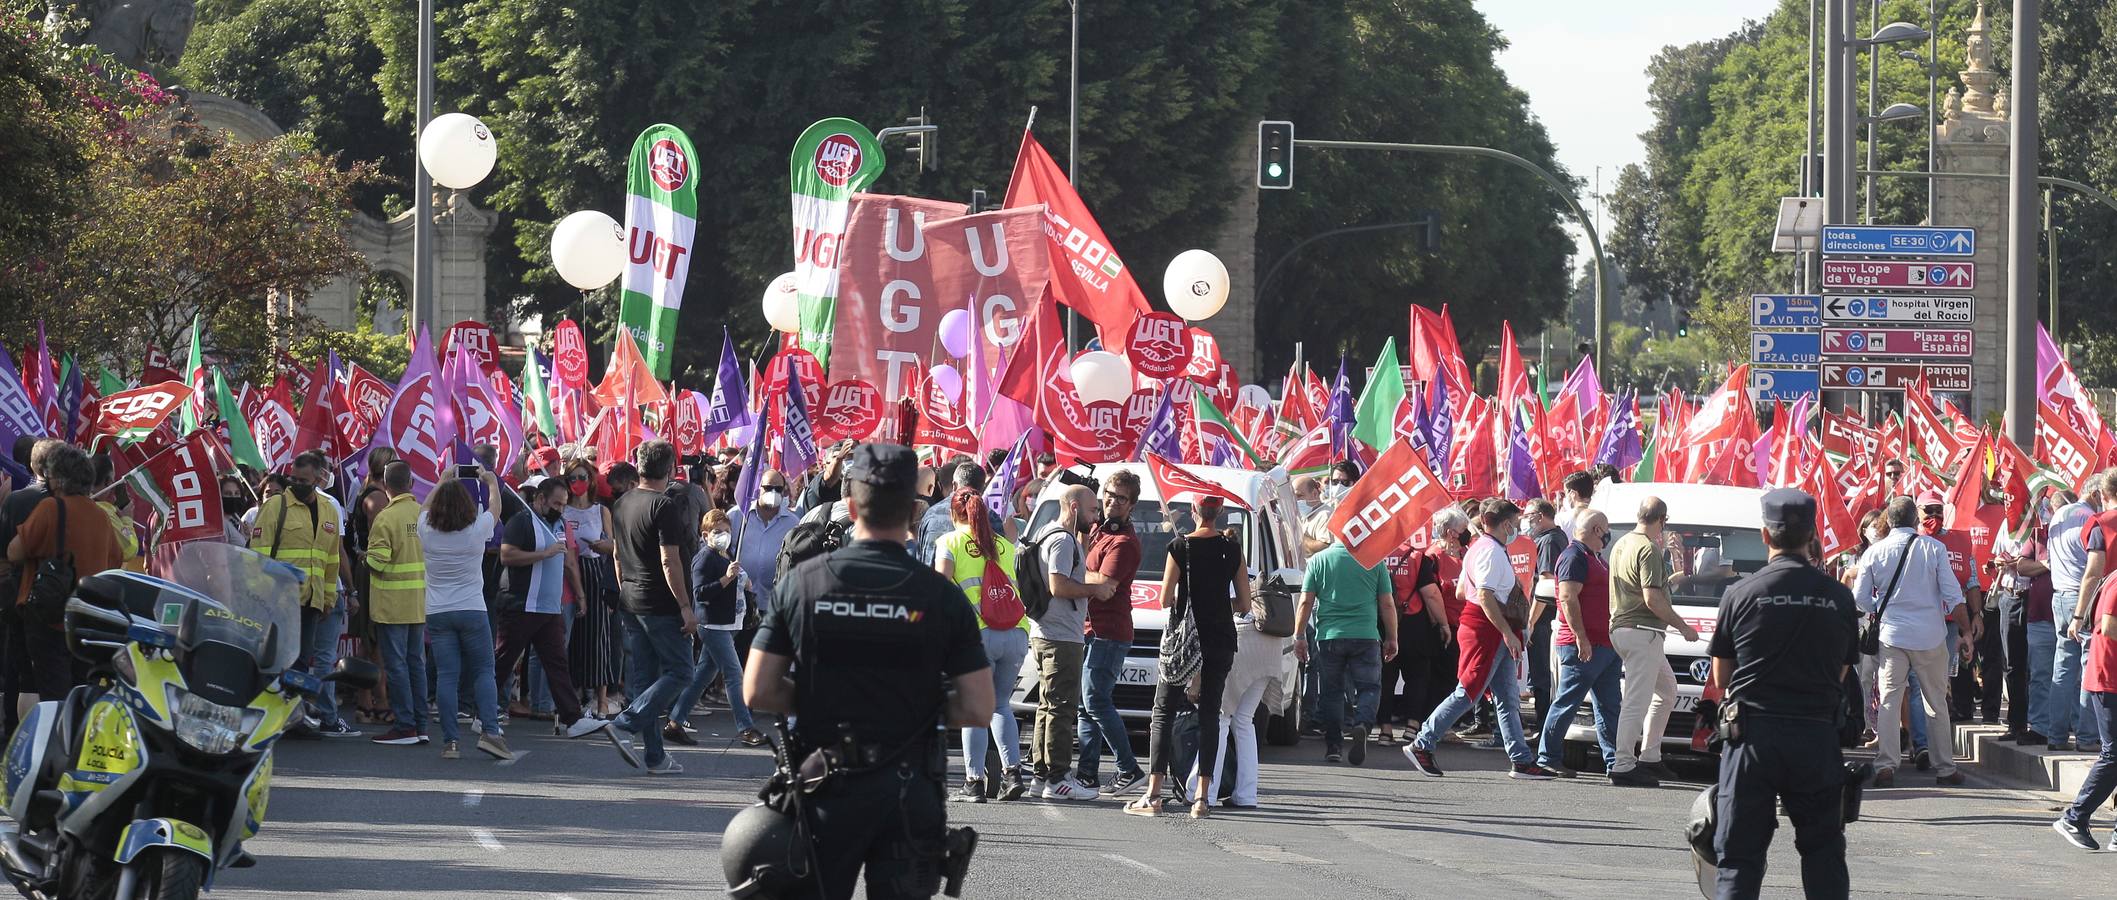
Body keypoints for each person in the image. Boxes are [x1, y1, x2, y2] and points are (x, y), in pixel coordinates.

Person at [744, 443, 993, 900]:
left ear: (852, 504)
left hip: (825, 783)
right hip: (909, 789)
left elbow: (758, 689)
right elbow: (978, 707)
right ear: (915, 509)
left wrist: (822, 699)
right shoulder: (941, 597)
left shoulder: (803, 582)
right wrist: (915, 707)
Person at [1707, 488, 1859, 899]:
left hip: (1753, 738)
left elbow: (1722, 677)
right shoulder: (1839, 596)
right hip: (1816, 736)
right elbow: (1842, 670)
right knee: (1824, 851)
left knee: (1739, 855)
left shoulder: (1740, 594)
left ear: (1764, 535)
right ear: (1812, 535)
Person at [1404, 499, 1557, 780]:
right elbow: (1484, 595)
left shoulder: (1481, 549)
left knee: (1507, 698)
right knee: (1468, 691)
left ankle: (1521, 759)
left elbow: (1464, 591)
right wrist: (1507, 632)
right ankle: (1422, 743)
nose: (1519, 529)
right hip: (1488, 630)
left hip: (1489, 628)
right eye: (1516, 523)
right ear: (1507, 524)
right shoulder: (1491, 552)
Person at [1126, 495, 1251, 818]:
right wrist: (1218, 605)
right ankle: (1202, 797)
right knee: (1210, 713)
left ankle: (1153, 794)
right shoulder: (1232, 549)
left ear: (1194, 512)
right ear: (1220, 512)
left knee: (1163, 712)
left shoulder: (1180, 547)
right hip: (1220, 638)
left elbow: (1166, 598)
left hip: (1184, 640)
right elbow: (1245, 604)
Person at [1854, 496, 1972, 787]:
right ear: (1915, 520)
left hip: (1892, 637)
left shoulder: (1874, 552)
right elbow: (1953, 596)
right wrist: (1966, 631)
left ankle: (1886, 766)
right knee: (1936, 704)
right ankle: (1945, 768)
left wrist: (1880, 608)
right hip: (1930, 637)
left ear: (1888, 522)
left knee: (1890, 702)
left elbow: (1859, 598)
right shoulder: (1934, 548)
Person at [495, 475, 612, 756]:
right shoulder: (522, 522)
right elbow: (507, 556)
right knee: (503, 661)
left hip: (549, 607)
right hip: (522, 605)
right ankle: (483, 713)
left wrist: (577, 593)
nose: (560, 509)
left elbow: (568, 559)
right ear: (540, 499)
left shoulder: (558, 523)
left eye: (564, 504)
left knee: (558, 663)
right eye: (556, 503)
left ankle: (572, 718)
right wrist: (544, 554)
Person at [607, 440, 700, 774]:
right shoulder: (664, 505)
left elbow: (617, 555)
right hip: (660, 604)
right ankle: (625, 723)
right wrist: (685, 606)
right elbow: (669, 559)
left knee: (645, 681)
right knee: (681, 671)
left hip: (631, 600)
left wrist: (625, 590)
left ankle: (655, 756)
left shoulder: (622, 502)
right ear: (671, 468)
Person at [250, 451, 358, 738]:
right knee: (277, 662)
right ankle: (270, 719)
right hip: (279, 601)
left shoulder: (329, 510)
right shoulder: (275, 507)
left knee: (300, 663)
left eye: (304, 480)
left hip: (311, 602)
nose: (297, 484)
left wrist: (327, 599)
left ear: (320, 478)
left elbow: (331, 559)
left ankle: (291, 717)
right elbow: (259, 555)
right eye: (294, 479)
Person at [934, 488, 1029, 802]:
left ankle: (974, 783)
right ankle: (1012, 772)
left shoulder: (949, 542)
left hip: (977, 636)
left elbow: (940, 588)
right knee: (1000, 705)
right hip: (1016, 632)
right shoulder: (1003, 544)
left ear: (953, 514)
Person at [7, 445, 123, 702]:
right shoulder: (102, 516)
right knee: (79, 692)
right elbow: (116, 560)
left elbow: (14, 552)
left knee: (49, 691)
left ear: (59, 479)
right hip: (86, 618)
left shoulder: (51, 507)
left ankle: (51, 740)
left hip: (50, 613)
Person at [1026, 483, 1110, 801]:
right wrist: (1094, 590)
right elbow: (1059, 585)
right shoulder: (1061, 539)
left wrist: (1084, 541)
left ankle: (1040, 775)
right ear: (1074, 508)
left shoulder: (1049, 532)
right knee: (1062, 708)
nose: (1097, 515)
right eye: (1092, 510)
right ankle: (1058, 778)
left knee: (1048, 706)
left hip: (1047, 631)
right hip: (1060, 634)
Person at [1607, 496, 1697, 787]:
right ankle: (1622, 764)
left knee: (1667, 691)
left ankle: (1650, 756)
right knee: (1637, 700)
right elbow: (1652, 597)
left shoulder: (1622, 544)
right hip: (1641, 630)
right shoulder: (1648, 548)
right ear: (1662, 520)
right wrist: (1683, 627)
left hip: (1630, 629)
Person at [419, 473, 505, 760]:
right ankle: (491, 733)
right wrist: (491, 483)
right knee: (483, 671)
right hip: (472, 608)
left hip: (438, 612)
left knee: (446, 676)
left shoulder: (427, 531)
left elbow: (423, 509)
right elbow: (495, 510)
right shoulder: (475, 531)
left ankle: (451, 743)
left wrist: (441, 481)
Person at [1293, 526, 1396, 765]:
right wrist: (1392, 637)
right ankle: (1362, 723)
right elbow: (1387, 604)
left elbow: (1305, 601)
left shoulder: (1318, 560)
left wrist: (1299, 636)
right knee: (1370, 687)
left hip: (1329, 636)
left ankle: (1333, 747)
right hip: (1366, 636)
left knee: (1332, 693)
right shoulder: (1374, 562)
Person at [1536, 510, 1622, 776]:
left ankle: (1614, 761)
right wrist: (1581, 637)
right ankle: (1547, 757)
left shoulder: (1595, 558)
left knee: (1609, 705)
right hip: (1584, 645)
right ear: (1597, 530)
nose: (1608, 536)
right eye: (1606, 530)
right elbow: (1568, 597)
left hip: (1605, 645)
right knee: (1567, 702)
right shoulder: (1574, 556)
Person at [1076, 470, 1144, 794]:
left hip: (1110, 632)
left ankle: (1128, 768)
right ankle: (1087, 774)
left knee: (1096, 700)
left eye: (1120, 498)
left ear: (1131, 506)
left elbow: (1104, 588)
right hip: (1089, 629)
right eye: (1108, 494)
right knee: (1085, 705)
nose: (1111, 501)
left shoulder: (1124, 542)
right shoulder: (1097, 529)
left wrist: (1071, 573)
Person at [2050, 540, 2117, 851]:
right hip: (2109, 678)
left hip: (2109, 677)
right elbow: (2110, 626)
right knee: (2113, 754)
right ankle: (2074, 818)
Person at [676, 509, 762, 745]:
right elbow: (700, 594)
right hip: (713, 626)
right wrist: (726, 579)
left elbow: (740, 582)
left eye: (726, 531)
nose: (723, 535)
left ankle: (675, 720)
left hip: (729, 623)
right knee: (734, 674)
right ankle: (746, 727)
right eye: (717, 532)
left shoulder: (727, 554)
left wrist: (742, 581)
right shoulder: (704, 557)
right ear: (705, 535)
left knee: (703, 675)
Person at [363, 461, 431, 746]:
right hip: (419, 602)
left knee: (397, 666)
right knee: (416, 664)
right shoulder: (424, 514)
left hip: (392, 604)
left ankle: (405, 726)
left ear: (385, 486)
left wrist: (363, 556)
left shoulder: (385, 518)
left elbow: (377, 562)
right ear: (411, 484)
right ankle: (420, 723)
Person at [560, 455, 626, 718]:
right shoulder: (562, 510)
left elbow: (614, 546)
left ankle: (601, 701)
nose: (577, 483)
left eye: (582, 477)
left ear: (590, 481)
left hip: (596, 572)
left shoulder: (601, 510)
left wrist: (603, 546)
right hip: (568, 574)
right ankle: (573, 697)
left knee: (599, 638)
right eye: (572, 478)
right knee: (570, 637)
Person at [2063, 471, 2117, 753]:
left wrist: (2077, 616)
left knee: (2095, 676)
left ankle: (2090, 738)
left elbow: (2093, 572)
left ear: (2102, 495)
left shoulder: (2102, 525)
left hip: (2107, 614)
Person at [1210, 611, 1286, 809]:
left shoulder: (1234, 577)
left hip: (1242, 638)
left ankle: (1203, 792)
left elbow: (1234, 603)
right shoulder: (1266, 577)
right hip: (1271, 642)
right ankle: (1246, 794)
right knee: (1244, 720)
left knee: (1220, 717)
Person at [1523, 498, 1565, 733]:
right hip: (1541, 617)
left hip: (1543, 618)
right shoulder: (1546, 538)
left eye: (1528, 515)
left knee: (1542, 677)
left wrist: (1531, 620)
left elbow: (1547, 584)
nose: (1525, 520)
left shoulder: (1549, 541)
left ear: (1540, 516)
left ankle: (1544, 729)